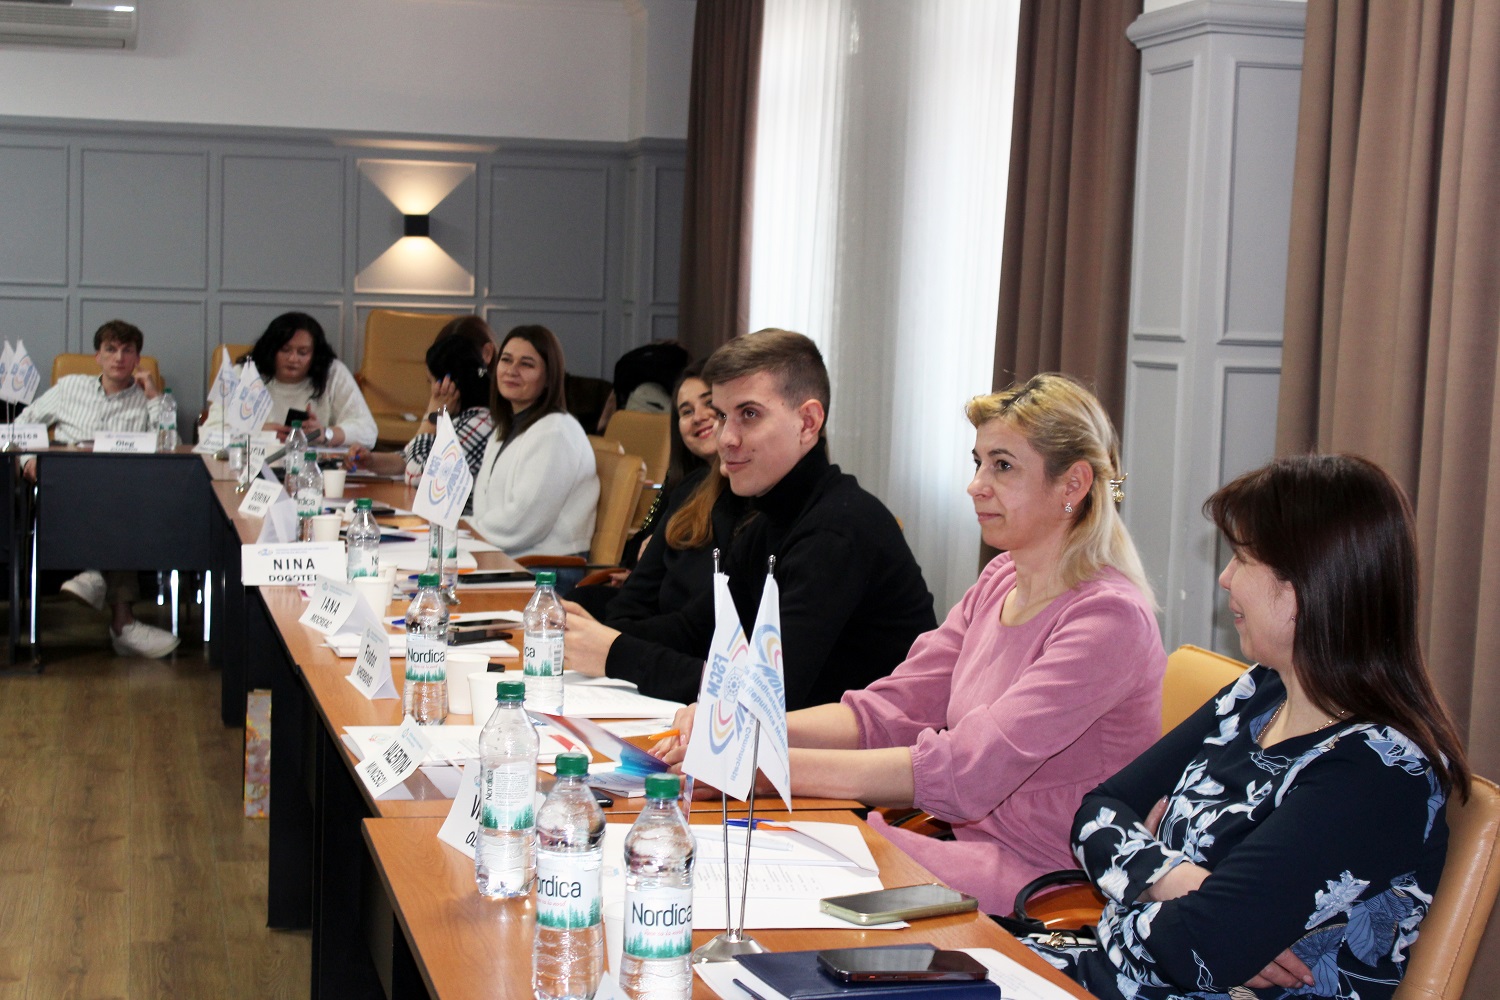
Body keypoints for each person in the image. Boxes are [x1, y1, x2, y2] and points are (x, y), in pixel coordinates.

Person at [657, 372, 1166, 914]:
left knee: (766, 866)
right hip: (965, 848)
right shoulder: (1000, 580)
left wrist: (764, 767)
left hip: (1043, 882)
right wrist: (744, 725)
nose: (976, 485)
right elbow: (888, 712)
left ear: (1073, 485)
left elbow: (966, 771)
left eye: (1002, 466)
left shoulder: (1109, 620)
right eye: (978, 462)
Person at [1029, 454, 1470, 1000]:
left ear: (1308, 584)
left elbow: (1196, 946)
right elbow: (1098, 810)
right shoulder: (1260, 690)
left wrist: (1134, 886)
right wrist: (1176, 880)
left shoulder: (1378, 769)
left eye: (1242, 559)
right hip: (1100, 972)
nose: (1225, 577)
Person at [562, 329, 936, 709]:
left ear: (808, 422)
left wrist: (615, 654)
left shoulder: (838, 528)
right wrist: (592, 633)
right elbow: (699, 630)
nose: (726, 438)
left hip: (880, 745)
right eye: (724, 416)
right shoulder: (769, 520)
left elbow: (765, 694)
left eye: (749, 414)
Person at [18, 319, 183, 657]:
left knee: (123, 501)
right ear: (98, 356)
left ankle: (96, 577)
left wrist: (154, 398)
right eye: (111, 349)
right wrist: (28, 461)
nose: (119, 358)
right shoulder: (69, 388)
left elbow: (171, 449)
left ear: (137, 358)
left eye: (127, 350)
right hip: (66, 487)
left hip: (123, 491)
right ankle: (123, 624)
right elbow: (22, 424)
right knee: (120, 508)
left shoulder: (149, 400)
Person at [569, 361, 729, 620]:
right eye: (686, 412)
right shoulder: (682, 482)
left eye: (708, 403)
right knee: (579, 601)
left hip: (688, 611)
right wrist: (639, 568)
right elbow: (643, 539)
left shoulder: (741, 486)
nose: (698, 417)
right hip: (650, 596)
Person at [467, 324, 598, 557]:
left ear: (549, 378)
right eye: (506, 360)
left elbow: (521, 524)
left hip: (546, 566)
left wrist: (463, 532)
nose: (512, 370)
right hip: (502, 554)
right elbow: (486, 506)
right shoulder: (506, 427)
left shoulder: (555, 432)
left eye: (526, 364)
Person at [344, 319, 496, 497]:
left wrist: (431, 417)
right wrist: (371, 461)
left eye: (434, 382)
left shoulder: (480, 422)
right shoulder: (458, 414)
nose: (432, 391)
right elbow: (409, 456)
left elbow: (417, 475)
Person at [208, 311, 376, 448]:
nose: (293, 359)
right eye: (285, 350)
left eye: (303, 353)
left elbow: (368, 432)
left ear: (315, 354)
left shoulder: (333, 372)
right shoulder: (242, 373)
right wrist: (258, 433)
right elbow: (210, 431)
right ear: (271, 350)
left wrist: (325, 434)